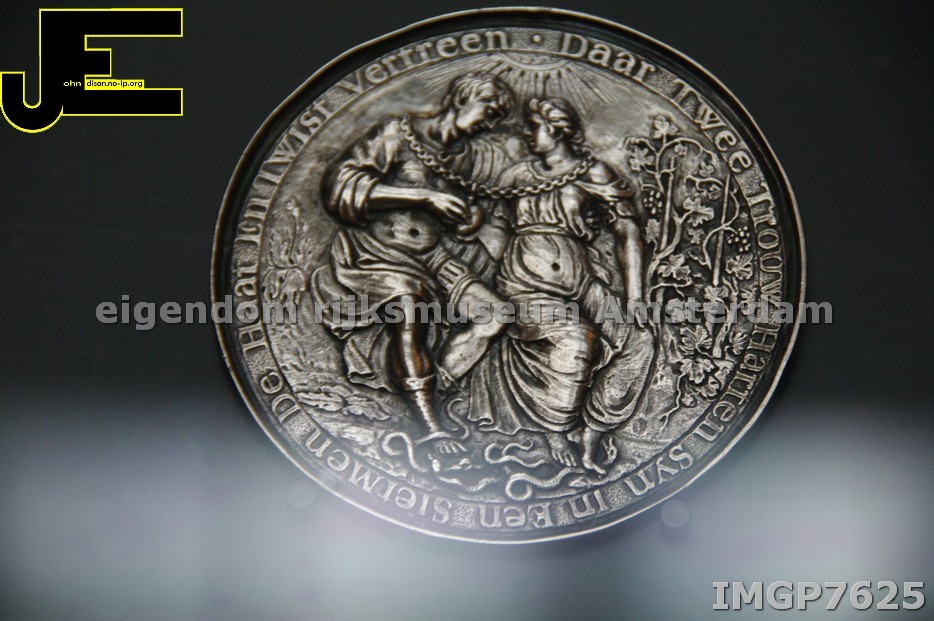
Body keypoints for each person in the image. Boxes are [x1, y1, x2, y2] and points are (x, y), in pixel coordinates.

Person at [311, 73, 514, 450]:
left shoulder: (463, 159)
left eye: (497, 119)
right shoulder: (397, 133)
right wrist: (422, 197)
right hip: (379, 252)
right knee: (410, 308)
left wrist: (468, 220)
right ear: (463, 98)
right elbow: (339, 186)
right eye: (488, 112)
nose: (489, 124)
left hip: (434, 258)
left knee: (495, 315)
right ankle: (430, 426)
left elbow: (455, 220)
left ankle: (432, 390)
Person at [468, 97, 654, 474]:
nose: (526, 134)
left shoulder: (593, 172)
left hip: (582, 283)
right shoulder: (516, 176)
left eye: (534, 126)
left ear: (557, 130)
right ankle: (555, 430)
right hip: (524, 285)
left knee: (640, 340)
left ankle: (594, 429)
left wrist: (635, 295)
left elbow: (627, 231)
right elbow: (495, 230)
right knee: (576, 340)